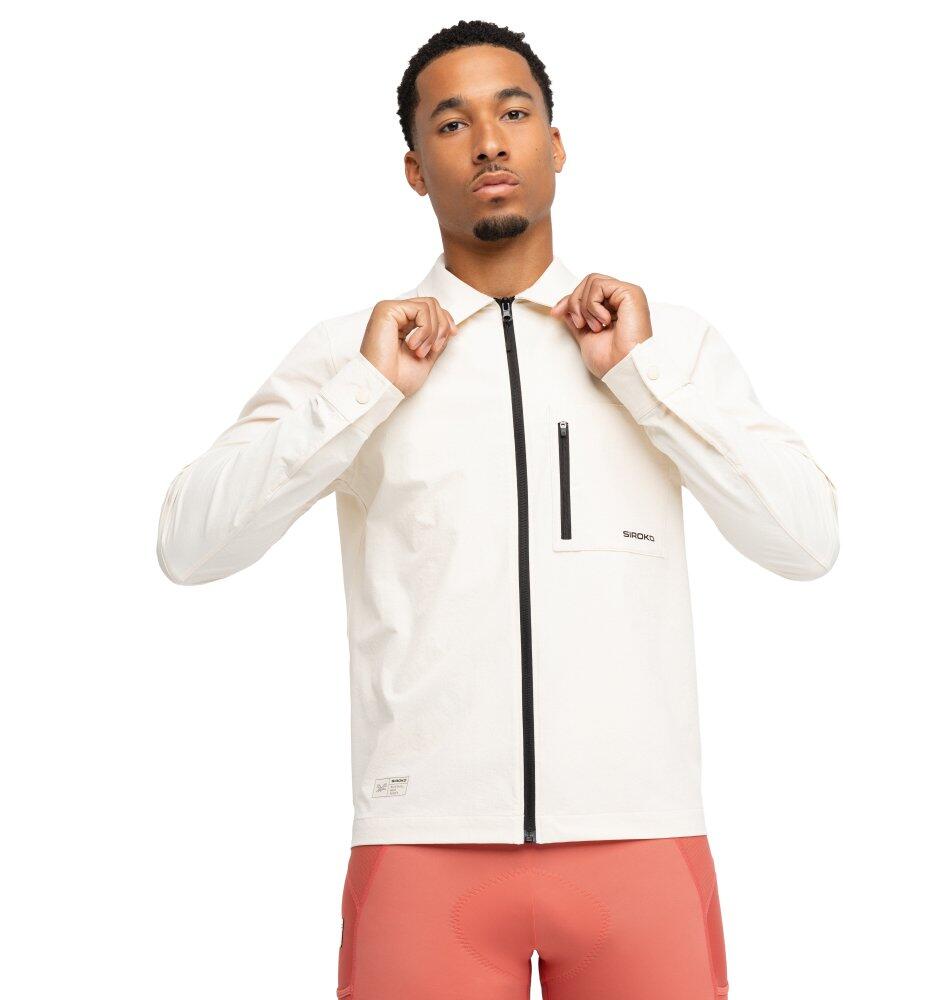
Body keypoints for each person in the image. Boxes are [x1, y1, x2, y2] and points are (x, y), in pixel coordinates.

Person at [156, 19, 839, 999]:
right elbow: (189, 545)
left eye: (513, 114)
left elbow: (808, 540)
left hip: (641, 837)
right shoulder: (352, 353)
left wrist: (641, 377)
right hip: (421, 846)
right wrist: (365, 390)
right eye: (452, 123)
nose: (487, 142)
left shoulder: (665, 344)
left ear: (555, 145)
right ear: (413, 168)